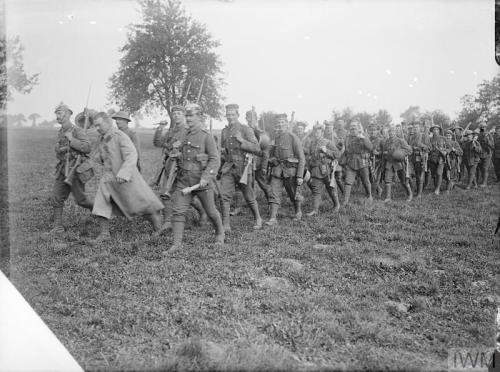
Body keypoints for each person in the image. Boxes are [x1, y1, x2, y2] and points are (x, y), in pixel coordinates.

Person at [91, 112, 164, 243]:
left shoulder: (120, 136)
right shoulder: (102, 138)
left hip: (125, 178)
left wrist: (124, 173)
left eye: (99, 125)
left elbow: (131, 155)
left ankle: (158, 229)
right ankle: (104, 234)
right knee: (101, 204)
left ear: (108, 123)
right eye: (95, 126)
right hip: (108, 179)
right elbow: (100, 156)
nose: (97, 128)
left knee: (142, 205)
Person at [168, 103, 224, 251]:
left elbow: (214, 159)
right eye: (187, 115)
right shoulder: (183, 134)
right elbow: (182, 154)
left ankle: (220, 232)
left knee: (211, 211)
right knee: (178, 211)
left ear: (199, 117)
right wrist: (176, 153)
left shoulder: (206, 137)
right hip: (184, 179)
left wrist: (206, 177)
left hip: (201, 181)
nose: (188, 118)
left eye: (191, 115)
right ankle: (176, 244)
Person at [152, 105, 207, 229]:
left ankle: (203, 212)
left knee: (186, 195)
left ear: (184, 116)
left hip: (183, 167)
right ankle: (167, 222)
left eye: (179, 113)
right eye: (174, 113)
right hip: (170, 167)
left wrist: (180, 150)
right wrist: (160, 129)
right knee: (165, 194)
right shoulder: (171, 131)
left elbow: (196, 149)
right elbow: (158, 143)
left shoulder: (189, 130)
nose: (176, 116)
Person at [48, 102, 94, 234]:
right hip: (63, 168)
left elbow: (87, 147)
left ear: (68, 114)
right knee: (56, 197)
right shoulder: (60, 131)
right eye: (56, 114)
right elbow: (61, 151)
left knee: (81, 200)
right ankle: (58, 227)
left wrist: (72, 140)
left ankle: (99, 211)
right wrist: (60, 149)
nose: (58, 116)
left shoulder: (77, 130)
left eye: (60, 113)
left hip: (75, 169)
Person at [219, 104, 263, 231]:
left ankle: (258, 218)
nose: (230, 117)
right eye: (228, 114)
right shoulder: (225, 131)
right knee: (224, 196)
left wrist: (242, 141)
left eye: (233, 114)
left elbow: (257, 148)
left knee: (249, 196)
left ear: (238, 115)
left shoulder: (245, 129)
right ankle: (226, 225)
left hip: (243, 168)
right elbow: (224, 150)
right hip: (228, 167)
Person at [262, 113, 305, 225]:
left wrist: (300, 176)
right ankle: (273, 218)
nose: (280, 125)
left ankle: (298, 211)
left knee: (293, 193)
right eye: (278, 123)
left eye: (282, 122)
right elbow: (271, 154)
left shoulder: (293, 138)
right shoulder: (276, 138)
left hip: (290, 172)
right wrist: (272, 160)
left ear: (286, 124)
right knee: (274, 193)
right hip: (277, 171)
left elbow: (301, 158)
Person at [304, 123, 342, 215]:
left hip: (327, 170)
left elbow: (338, 154)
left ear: (322, 132)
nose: (316, 134)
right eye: (315, 132)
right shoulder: (312, 143)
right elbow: (310, 156)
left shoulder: (327, 142)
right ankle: (315, 210)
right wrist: (309, 167)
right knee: (316, 190)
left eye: (318, 132)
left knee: (331, 189)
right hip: (315, 171)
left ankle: (337, 205)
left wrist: (327, 151)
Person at [342, 121, 373, 205]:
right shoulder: (347, 138)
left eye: (354, 127)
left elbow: (370, 147)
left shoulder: (363, 136)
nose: (352, 129)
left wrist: (363, 138)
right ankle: (345, 201)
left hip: (362, 162)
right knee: (348, 182)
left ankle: (369, 195)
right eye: (351, 127)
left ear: (358, 128)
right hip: (351, 162)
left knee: (366, 181)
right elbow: (344, 149)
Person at [379, 126, 413, 202]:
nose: (391, 133)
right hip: (389, 162)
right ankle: (388, 197)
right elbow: (384, 153)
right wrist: (384, 155)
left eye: (393, 131)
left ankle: (410, 194)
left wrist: (400, 153)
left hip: (399, 163)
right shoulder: (386, 142)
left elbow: (409, 151)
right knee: (387, 179)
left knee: (403, 180)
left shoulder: (401, 141)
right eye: (390, 132)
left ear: (395, 132)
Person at [245, 109, 272, 202]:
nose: (249, 120)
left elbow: (266, 152)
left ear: (256, 119)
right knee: (247, 185)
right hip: (247, 163)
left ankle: (271, 202)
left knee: (263, 185)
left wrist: (264, 167)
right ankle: (251, 204)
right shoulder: (245, 131)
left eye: (251, 118)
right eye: (248, 118)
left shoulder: (262, 133)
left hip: (258, 164)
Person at [407, 122, 430, 198]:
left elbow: (429, 147)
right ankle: (413, 189)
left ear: (420, 128)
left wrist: (420, 146)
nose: (415, 129)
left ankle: (419, 193)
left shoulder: (424, 136)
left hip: (420, 158)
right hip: (411, 158)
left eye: (417, 127)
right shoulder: (411, 137)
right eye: (414, 128)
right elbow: (408, 146)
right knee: (408, 175)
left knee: (419, 176)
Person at [428, 124, 450, 195]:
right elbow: (428, 148)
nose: (435, 131)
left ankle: (437, 189)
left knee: (439, 173)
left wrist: (445, 151)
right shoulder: (430, 139)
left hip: (441, 158)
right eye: (434, 130)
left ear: (439, 131)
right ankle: (436, 187)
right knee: (434, 174)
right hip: (432, 158)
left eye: (437, 129)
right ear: (432, 131)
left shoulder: (443, 138)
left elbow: (449, 147)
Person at [324, 120, 345, 194]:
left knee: (338, 179)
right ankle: (334, 193)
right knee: (329, 178)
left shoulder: (336, 138)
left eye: (329, 128)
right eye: (327, 128)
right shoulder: (324, 138)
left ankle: (343, 192)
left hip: (337, 161)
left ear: (332, 128)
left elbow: (342, 149)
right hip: (328, 161)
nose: (328, 129)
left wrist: (337, 157)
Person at [368, 123, 384, 197]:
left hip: (378, 162)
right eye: (371, 130)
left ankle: (375, 193)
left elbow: (385, 151)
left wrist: (378, 153)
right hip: (369, 162)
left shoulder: (381, 140)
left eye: (374, 130)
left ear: (377, 131)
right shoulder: (367, 140)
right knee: (371, 178)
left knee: (376, 178)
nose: (372, 132)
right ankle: (378, 189)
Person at [476, 121, 494, 187]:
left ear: (486, 127)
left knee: (485, 168)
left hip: (487, 154)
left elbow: (492, 146)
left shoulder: (489, 135)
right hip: (479, 154)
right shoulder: (478, 135)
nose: (482, 128)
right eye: (481, 127)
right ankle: (482, 180)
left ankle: (484, 183)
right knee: (480, 168)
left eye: (484, 127)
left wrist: (487, 140)